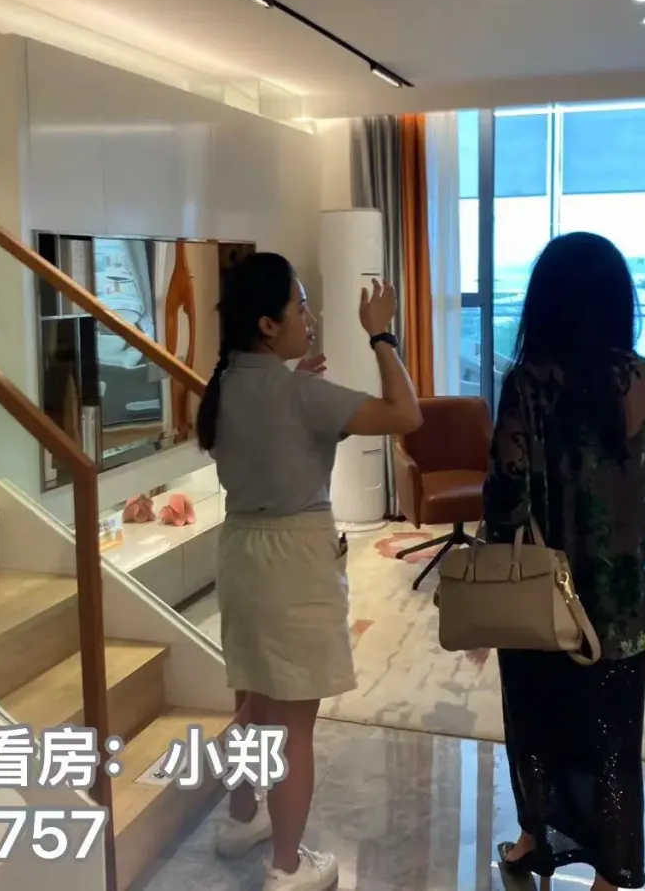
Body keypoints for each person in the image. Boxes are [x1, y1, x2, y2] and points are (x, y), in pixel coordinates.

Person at [196, 251, 422, 891]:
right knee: (293, 722)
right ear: (268, 325)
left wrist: (298, 383)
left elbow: (277, 426)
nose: (311, 317)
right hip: (294, 559)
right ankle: (288, 866)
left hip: (240, 552)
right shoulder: (302, 394)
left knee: (254, 699)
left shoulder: (226, 387)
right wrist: (381, 334)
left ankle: (241, 819)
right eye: (300, 307)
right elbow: (407, 414)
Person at [484, 232, 645, 891]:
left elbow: (506, 494)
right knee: (613, 740)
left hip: (541, 598)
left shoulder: (526, 384)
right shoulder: (644, 381)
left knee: (535, 723)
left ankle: (534, 840)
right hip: (618, 598)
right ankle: (611, 871)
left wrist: (497, 566)